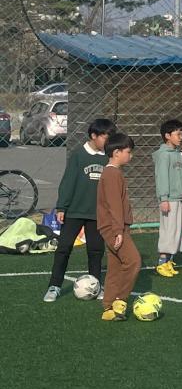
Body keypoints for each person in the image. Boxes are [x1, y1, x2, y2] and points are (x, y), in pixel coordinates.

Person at [43, 118, 116, 303]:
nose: (108, 142)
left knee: (95, 251)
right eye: (106, 138)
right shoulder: (78, 155)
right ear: (94, 136)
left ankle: (96, 284)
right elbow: (68, 182)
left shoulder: (108, 158)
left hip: (97, 214)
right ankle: (54, 286)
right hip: (74, 212)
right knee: (64, 248)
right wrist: (62, 207)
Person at [96, 133, 141, 322]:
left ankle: (108, 308)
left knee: (115, 267)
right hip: (114, 228)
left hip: (113, 227)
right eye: (128, 152)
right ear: (116, 153)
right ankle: (119, 301)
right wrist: (118, 231)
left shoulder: (111, 173)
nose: (130, 156)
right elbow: (114, 205)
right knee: (133, 262)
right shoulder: (112, 174)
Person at [153, 119, 182, 277]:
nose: (181, 137)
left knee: (178, 230)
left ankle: (169, 260)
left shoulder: (177, 154)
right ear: (167, 136)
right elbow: (161, 177)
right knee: (168, 231)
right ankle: (162, 262)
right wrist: (163, 198)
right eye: (178, 134)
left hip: (179, 198)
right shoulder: (163, 156)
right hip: (169, 199)